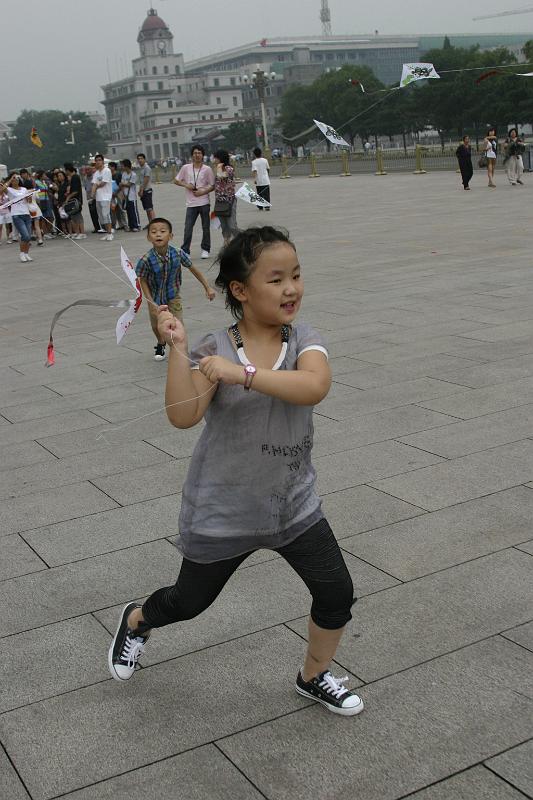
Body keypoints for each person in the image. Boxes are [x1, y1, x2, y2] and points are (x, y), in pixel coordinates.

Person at [108, 225, 364, 718]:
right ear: (241, 291)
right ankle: (138, 620)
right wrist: (179, 349)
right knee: (188, 603)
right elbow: (183, 415)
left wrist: (242, 374)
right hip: (223, 512)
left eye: (295, 275)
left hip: (293, 504)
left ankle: (313, 676)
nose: (291, 288)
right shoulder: (212, 349)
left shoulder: (304, 338)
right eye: (275, 279)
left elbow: (314, 386)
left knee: (337, 594)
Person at [134, 217, 215, 361]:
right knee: (156, 325)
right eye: (153, 232)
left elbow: (194, 269)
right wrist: (150, 301)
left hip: (173, 295)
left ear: (170, 236)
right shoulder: (145, 260)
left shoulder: (178, 253)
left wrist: (207, 287)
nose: (158, 234)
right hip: (154, 298)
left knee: (178, 322)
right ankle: (160, 342)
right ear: (148, 237)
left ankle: (180, 349)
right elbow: (142, 280)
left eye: (163, 231)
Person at [174, 145, 214, 259]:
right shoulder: (186, 167)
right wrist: (186, 185)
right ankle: (185, 250)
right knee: (188, 227)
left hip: (204, 202)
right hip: (191, 203)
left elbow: (212, 185)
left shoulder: (207, 169)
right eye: (195, 153)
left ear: (203, 155)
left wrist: (203, 192)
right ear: (192, 155)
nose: (197, 155)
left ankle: (205, 249)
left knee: (205, 227)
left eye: (199, 153)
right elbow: (176, 180)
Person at [0, 173, 34, 261]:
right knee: (25, 235)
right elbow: (2, 190)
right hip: (16, 215)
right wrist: (10, 179)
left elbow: (28, 201)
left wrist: (29, 196)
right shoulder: (9, 189)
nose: (16, 180)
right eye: (15, 179)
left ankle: (26, 254)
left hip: (26, 214)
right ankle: (22, 254)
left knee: (28, 236)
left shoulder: (24, 189)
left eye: (18, 178)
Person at [213, 148, 238, 244]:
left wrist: (219, 167)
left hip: (230, 200)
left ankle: (242, 239)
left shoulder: (229, 168)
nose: (214, 160)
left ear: (221, 158)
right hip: (219, 201)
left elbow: (221, 176)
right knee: (224, 225)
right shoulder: (217, 169)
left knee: (232, 225)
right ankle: (226, 243)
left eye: (216, 158)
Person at [91, 154, 114, 241]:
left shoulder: (107, 170)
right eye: (96, 160)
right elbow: (94, 184)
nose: (98, 162)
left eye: (99, 160)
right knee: (101, 216)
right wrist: (92, 194)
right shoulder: (96, 173)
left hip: (106, 197)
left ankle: (110, 233)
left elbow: (103, 183)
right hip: (98, 197)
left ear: (103, 161)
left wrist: (96, 185)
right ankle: (106, 232)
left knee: (106, 215)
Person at [64, 163, 86, 239]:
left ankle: (82, 232)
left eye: (65, 170)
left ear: (68, 170)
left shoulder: (75, 177)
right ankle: (77, 232)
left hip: (76, 200)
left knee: (78, 216)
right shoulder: (73, 177)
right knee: (74, 216)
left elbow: (76, 191)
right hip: (74, 199)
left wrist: (68, 197)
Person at [120, 159, 141, 232]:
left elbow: (130, 184)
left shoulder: (133, 174)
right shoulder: (124, 174)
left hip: (132, 196)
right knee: (128, 212)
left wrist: (123, 184)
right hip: (125, 196)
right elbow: (122, 184)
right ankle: (131, 226)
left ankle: (137, 225)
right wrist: (123, 192)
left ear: (126, 166)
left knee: (134, 211)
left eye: (122, 165)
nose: (121, 167)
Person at [83, 164, 103, 233]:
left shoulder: (95, 177)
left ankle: (102, 227)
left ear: (91, 170)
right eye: (86, 170)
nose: (87, 171)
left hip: (96, 197)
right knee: (92, 214)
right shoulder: (85, 178)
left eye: (88, 169)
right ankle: (96, 227)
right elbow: (86, 187)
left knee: (99, 213)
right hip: (89, 198)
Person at [137, 153, 155, 226]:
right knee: (147, 208)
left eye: (141, 158)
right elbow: (141, 181)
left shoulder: (146, 168)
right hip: (143, 190)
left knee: (150, 208)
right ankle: (150, 223)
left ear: (144, 159)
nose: (140, 160)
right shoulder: (141, 168)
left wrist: (141, 190)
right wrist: (140, 190)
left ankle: (154, 223)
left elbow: (146, 179)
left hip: (147, 190)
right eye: (138, 159)